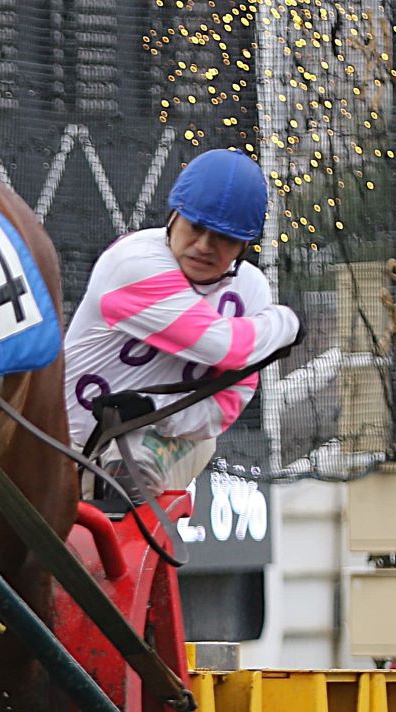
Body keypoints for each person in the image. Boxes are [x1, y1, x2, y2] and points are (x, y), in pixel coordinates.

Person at [63, 148, 302, 496]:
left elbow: (227, 404)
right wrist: (286, 323)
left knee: (129, 473)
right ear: (174, 216)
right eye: (197, 227)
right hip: (58, 442)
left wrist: (154, 410)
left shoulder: (252, 289)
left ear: (245, 246)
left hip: (158, 441)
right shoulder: (133, 261)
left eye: (224, 237)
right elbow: (225, 347)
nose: (204, 246)